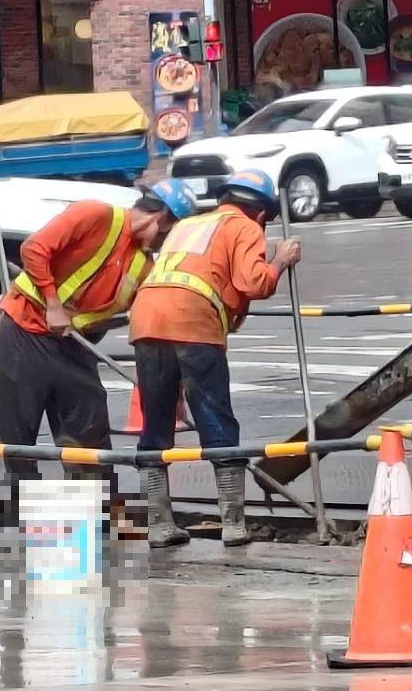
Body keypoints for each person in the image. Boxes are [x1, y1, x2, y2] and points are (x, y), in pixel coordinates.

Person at [0, 179, 192, 542]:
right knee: (19, 431)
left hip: (73, 345)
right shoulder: (94, 215)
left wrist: (170, 387)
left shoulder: (142, 266)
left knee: (88, 423)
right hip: (25, 328)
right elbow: (34, 249)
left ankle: (95, 515)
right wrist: (53, 305)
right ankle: (28, 521)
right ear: (162, 218)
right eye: (170, 232)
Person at [128, 169, 301, 547]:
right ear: (260, 213)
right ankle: (233, 524)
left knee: (155, 425)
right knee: (216, 419)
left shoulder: (189, 225)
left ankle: (158, 524)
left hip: (146, 318)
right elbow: (253, 283)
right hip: (191, 321)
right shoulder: (245, 227)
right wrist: (281, 260)